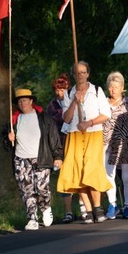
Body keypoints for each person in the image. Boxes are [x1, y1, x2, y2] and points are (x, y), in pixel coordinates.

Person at [57, 61, 112, 224]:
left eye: (82, 72)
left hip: (93, 134)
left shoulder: (97, 90)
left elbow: (106, 114)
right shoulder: (69, 92)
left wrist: (89, 123)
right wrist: (74, 101)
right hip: (74, 135)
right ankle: (87, 209)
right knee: (78, 172)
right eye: (77, 72)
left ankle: (97, 207)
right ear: (73, 75)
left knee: (92, 170)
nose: (80, 75)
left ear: (88, 74)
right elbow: (66, 119)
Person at [5, 88, 63, 230]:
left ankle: (45, 208)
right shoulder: (14, 120)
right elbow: (7, 145)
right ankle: (32, 218)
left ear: (31, 101)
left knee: (42, 188)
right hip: (21, 159)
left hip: (41, 157)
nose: (22, 103)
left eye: (25, 100)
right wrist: (8, 139)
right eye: (20, 101)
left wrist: (58, 156)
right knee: (26, 190)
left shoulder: (43, 118)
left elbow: (54, 137)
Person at [45, 73, 80, 223]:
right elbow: (48, 126)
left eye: (63, 89)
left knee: (80, 174)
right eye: (57, 90)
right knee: (65, 178)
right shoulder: (52, 106)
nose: (60, 93)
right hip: (60, 144)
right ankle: (68, 212)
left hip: (76, 141)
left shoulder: (75, 100)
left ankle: (85, 208)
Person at [103, 71, 128, 220]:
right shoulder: (103, 102)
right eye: (111, 87)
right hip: (107, 144)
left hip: (126, 143)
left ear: (122, 87)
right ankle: (113, 204)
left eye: (116, 87)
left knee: (127, 177)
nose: (113, 90)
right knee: (108, 175)